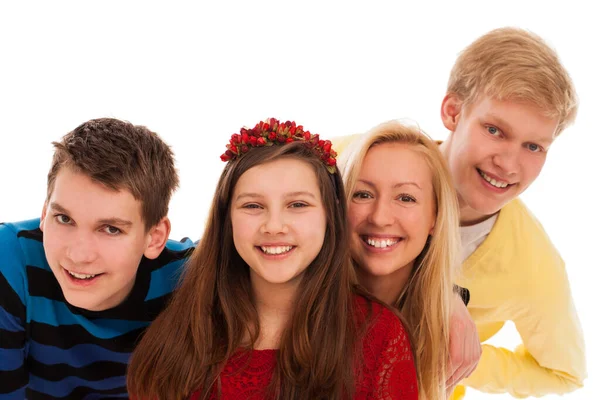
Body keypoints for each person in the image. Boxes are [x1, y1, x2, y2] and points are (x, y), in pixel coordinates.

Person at [127, 118, 419, 400]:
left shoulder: (379, 335)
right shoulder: (177, 334)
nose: (274, 225)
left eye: (297, 204)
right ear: (226, 218)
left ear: (330, 215)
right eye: (253, 205)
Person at [438, 27, 587, 399]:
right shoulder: (358, 163)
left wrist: (461, 361)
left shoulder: (534, 265)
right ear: (453, 112)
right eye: (495, 130)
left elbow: (564, 375)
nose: (509, 164)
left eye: (533, 146)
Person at [0, 118, 194, 399]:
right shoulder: (9, 263)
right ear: (44, 214)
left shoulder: (191, 278)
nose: (78, 255)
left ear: (155, 237)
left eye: (111, 229)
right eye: (64, 218)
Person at [338, 120, 466, 400]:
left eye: (406, 198)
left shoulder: (444, 341)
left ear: (435, 216)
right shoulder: (295, 312)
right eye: (362, 194)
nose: (380, 217)